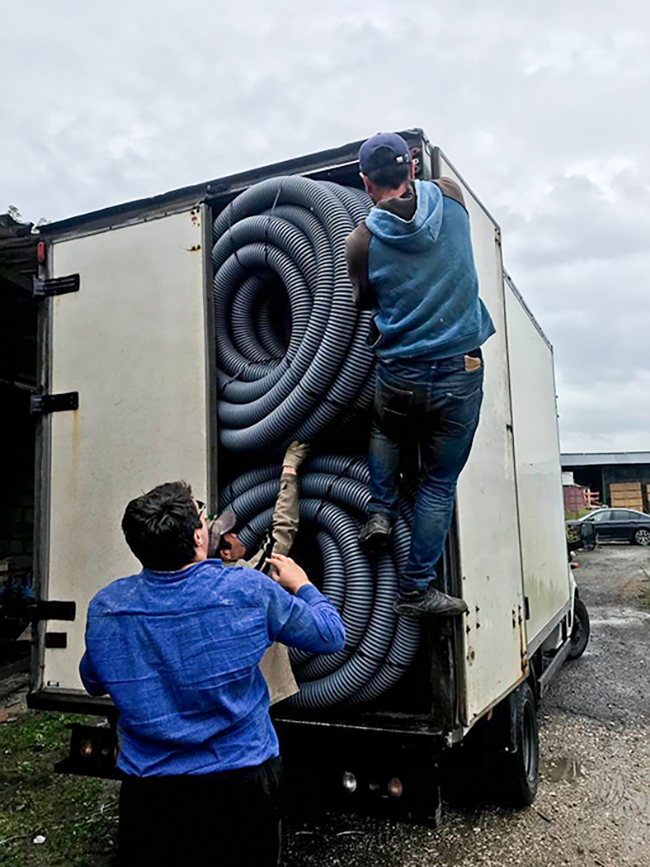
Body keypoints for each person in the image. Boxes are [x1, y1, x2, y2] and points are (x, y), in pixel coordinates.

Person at [79, 481, 345, 866]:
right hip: (241, 783)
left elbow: (93, 681)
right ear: (198, 536)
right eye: (203, 516)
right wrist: (302, 585)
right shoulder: (247, 590)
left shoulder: (107, 607)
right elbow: (330, 634)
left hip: (150, 793)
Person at [346, 132, 495, 619]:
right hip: (460, 369)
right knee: (438, 482)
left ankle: (380, 512)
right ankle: (415, 589)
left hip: (401, 373)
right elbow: (429, 197)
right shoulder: (451, 197)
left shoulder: (361, 241)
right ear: (412, 166)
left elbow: (365, 302)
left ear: (365, 182)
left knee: (384, 425)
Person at [213, 440, 309, 706]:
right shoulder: (247, 578)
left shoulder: (204, 583)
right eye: (228, 536)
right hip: (253, 697)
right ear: (225, 554)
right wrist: (289, 468)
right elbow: (283, 530)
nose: (235, 534)